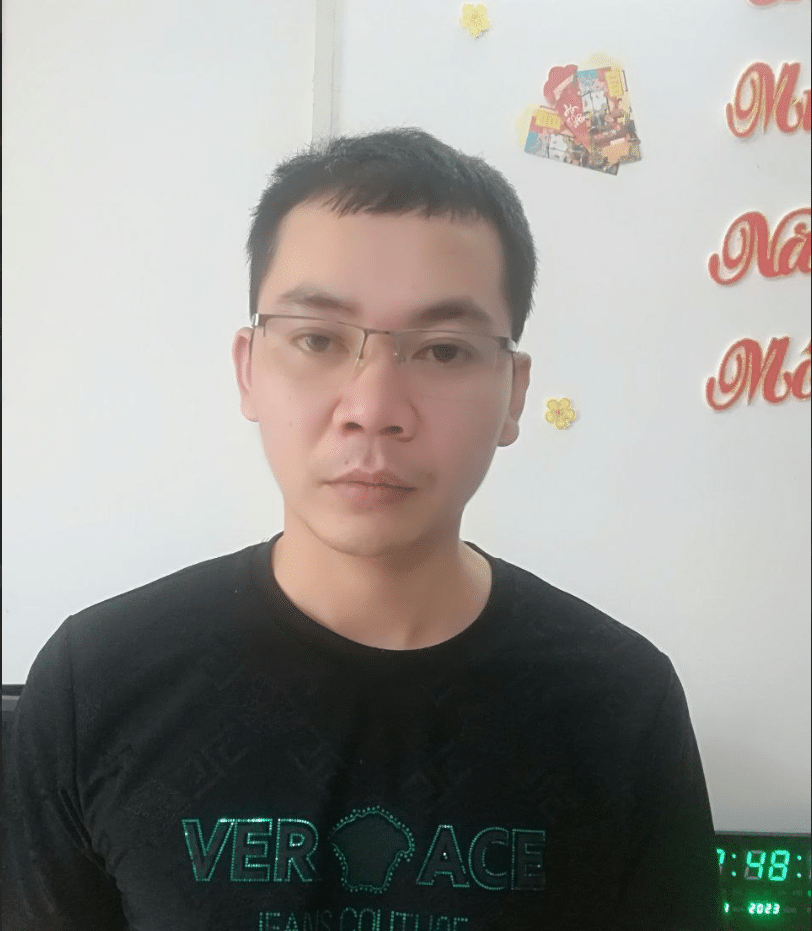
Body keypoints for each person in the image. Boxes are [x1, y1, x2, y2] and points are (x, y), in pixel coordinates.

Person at [3, 127, 724, 930]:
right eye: (317, 339)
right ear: (248, 368)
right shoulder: (98, 683)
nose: (374, 408)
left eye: (443, 351)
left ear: (514, 394)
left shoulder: (619, 702)